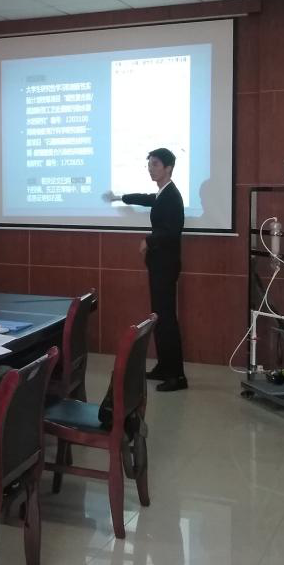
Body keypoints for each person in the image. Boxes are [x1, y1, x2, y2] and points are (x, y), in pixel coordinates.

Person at [104, 147, 186, 391]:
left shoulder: (172, 196)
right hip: (159, 264)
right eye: (149, 164)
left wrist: (148, 240)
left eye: (155, 164)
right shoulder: (162, 193)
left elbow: (172, 231)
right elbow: (147, 198)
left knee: (167, 319)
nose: (151, 169)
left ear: (168, 168)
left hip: (166, 265)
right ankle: (164, 367)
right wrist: (120, 197)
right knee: (159, 317)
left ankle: (177, 376)